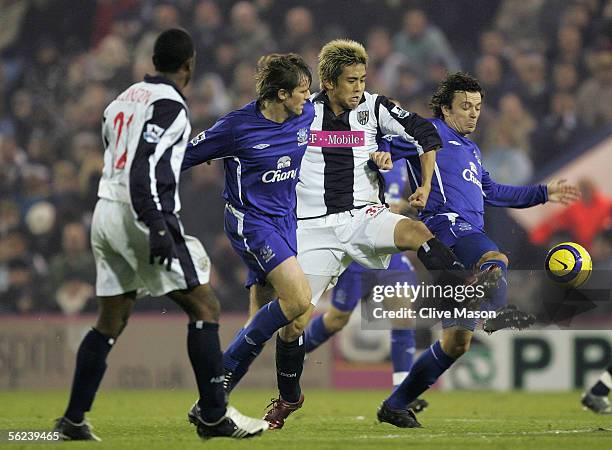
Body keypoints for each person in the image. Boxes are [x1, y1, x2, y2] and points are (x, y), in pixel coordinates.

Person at [224, 39, 493, 430]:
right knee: (296, 321)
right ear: (329, 83)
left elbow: (425, 135)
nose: (359, 88)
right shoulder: (303, 113)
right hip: (314, 228)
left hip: (366, 216)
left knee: (416, 231)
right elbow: (263, 142)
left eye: (362, 79)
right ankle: (288, 397)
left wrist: (423, 184)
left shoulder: (376, 107)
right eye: (351, 81)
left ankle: (460, 287)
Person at [53, 29, 268, 441]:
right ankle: (212, 415)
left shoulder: (122, 99)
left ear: (153, 60)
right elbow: (143, 170)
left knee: (110, 319)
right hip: (141, 214)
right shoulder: (171, 106)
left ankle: (73, 420)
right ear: (189, 65)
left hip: (105, 212)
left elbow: (111, 150)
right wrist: (155, 225)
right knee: (205, 305)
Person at [378, 71, 580, 428]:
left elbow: (496, 192)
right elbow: (384, 143)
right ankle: (485, 299)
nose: (473, 114)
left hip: (465, 235)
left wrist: (544, 193)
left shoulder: (471, 150)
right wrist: (381, 155)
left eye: (477, 107)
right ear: (444, 108)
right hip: (447, 226)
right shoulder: (430, 132)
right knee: (495, 260)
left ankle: (395, 405)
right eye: (465, 107)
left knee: (456, 343)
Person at [181, 52, 315, 426]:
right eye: (302, 91)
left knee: (288, 320)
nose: (309, 97)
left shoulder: (306, 115)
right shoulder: (237, 127)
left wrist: (381, 149)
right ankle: (215, 395)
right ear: (281, 93)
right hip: (250, 223)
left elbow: (333, 135)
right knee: (300, 299)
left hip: (286, 223)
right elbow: (184, 156)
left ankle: (218, 400)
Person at [303, 133, 428, 412]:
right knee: (336, 320)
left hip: (389, 252)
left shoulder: (409, 162)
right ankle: (292, 354)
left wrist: (407, 207)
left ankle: (403, 392)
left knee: (402, 315)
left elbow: (420, 201)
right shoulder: (359, 155)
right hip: (357, 250)